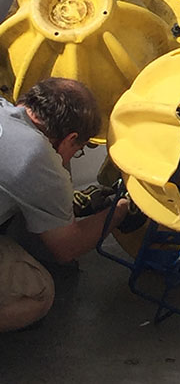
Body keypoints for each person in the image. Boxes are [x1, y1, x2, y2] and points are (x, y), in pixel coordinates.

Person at [0, 77, 129, 332]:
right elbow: (67, 247)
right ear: (71, 138)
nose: (71, 157)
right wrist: (119, 211)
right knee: (39, 293)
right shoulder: (37, 155)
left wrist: (70, 206)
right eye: (78, 149)